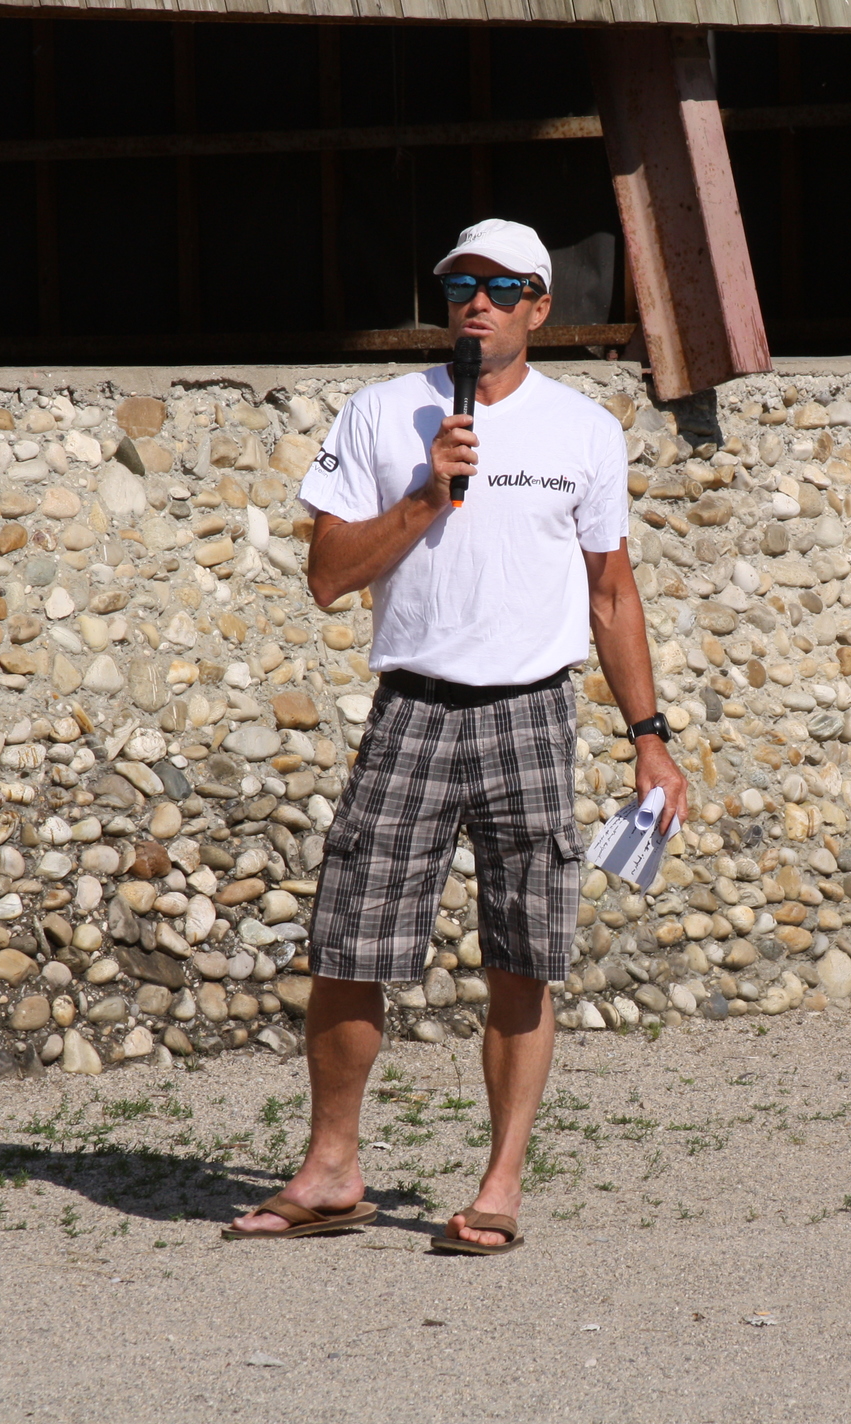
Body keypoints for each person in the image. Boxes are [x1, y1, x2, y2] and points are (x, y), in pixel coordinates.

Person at [222, 219, 691, 1255]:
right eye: (460, 285)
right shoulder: (383, 412)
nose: (479, 301)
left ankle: (499, 1184)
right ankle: (331, 1169)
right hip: (414, 708)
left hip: (532, 712)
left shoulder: (584, 429)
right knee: (349, 943)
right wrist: (429, 493)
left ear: (540, 306)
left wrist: (650, 738)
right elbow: (327, 575)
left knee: (524, 954)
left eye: (503, 286)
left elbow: (611, 594)